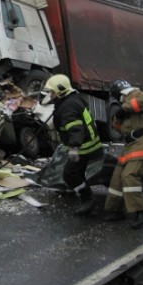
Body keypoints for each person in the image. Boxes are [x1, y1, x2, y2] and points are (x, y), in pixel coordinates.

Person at [103, 79, 143, 229]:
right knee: (117, 178)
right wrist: (119, 116)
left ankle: (140, 212)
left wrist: (126, 108)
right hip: (130, 145)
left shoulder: (136, 95)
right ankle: (113, 210)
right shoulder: (123, 104)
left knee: (129, 175)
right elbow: (117, 126)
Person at [43, 74, 102, 215]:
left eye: (52, 92)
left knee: (69, 175)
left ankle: (88, 198)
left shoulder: (68, 107)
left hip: (83, 147)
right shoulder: (73, 99)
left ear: (60, 91)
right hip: (89, 144)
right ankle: (85, 199)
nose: (50, 95)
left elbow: (76, 129)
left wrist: (74, 148)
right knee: (78, 173)